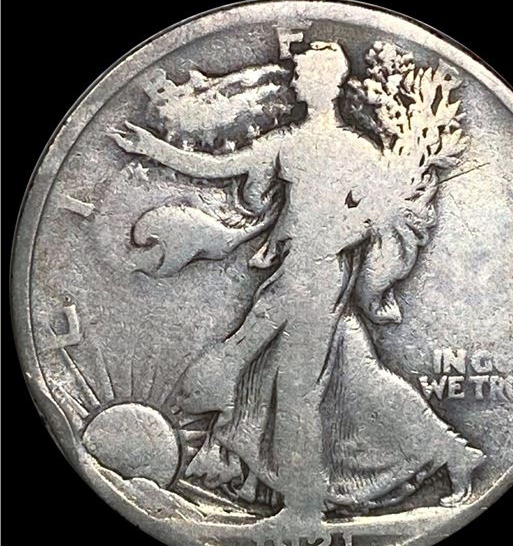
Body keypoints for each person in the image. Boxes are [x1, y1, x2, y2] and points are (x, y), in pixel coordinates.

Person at [112, 41, 483, 521]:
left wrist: (331, 240)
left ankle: (304, 506)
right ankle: (453, 452)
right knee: (353, 380)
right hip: (296, 271)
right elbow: (220, 168)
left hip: (320, 276)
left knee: (295, 391)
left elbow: (373, 215)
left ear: (327, 83)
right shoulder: (288, 143)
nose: (298, 81)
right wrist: (154, 150)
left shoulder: (357, 151)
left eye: (305, 74)